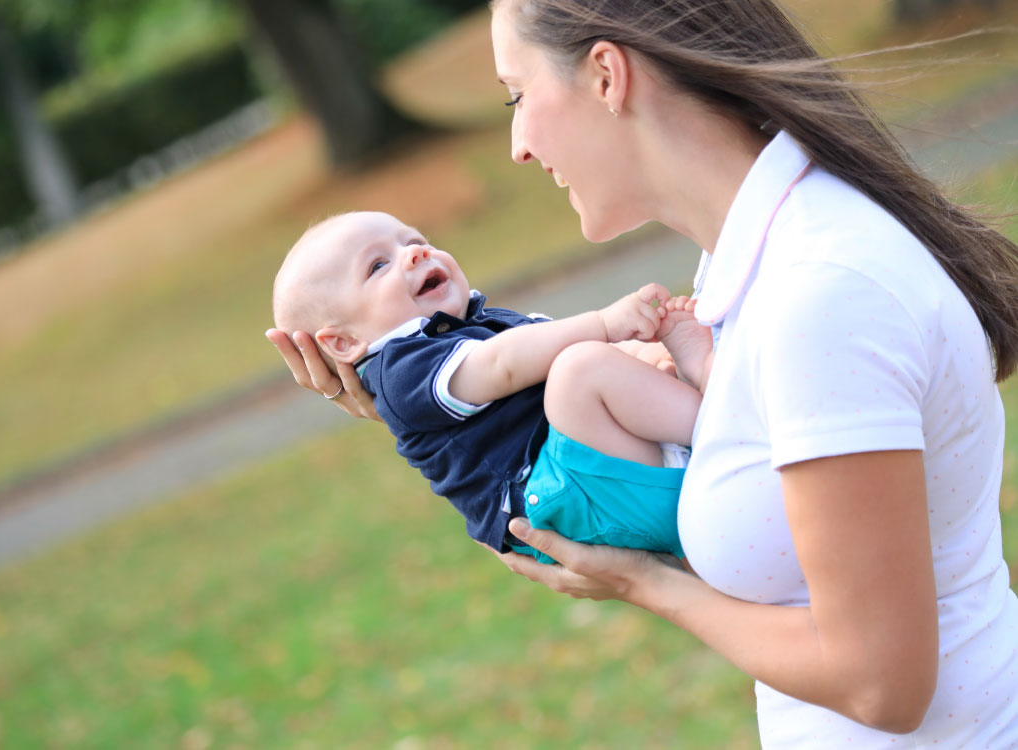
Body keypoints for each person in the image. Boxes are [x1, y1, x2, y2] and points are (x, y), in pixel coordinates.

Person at [266, 0, 1018, 745]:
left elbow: (879, 685)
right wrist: (409, 402)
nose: (517, 144)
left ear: (605, 76)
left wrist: (645, 584)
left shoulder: (817, 291)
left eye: (516, 96)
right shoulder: (745, 264)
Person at [271, 210, 711, 562]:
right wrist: (605, 323)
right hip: (550, 499)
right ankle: (718, 418)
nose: (415, 254)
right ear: (345, 342)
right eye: (378, 265)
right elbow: (500, 365)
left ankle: (689, 381)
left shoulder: (481, 323)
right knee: (580, 367)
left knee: (610, 361)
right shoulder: (401, 372)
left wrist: (638, 352)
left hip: (588, 466)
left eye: (414, 240)